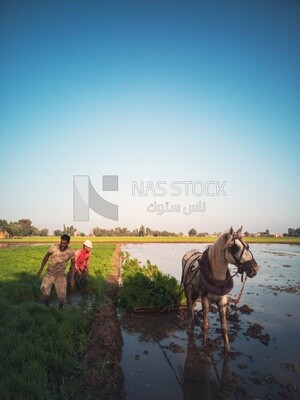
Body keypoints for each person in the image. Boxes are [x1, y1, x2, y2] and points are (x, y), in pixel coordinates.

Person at [37, 234, 75, 309]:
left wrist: (72, 278)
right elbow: (46, 257)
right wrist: (41, 269)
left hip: (60, 275)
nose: (62, 245)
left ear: (68, 243)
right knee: (43, 289)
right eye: (61, 242)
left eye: (64, 243)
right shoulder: (53, 248)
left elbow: (73, 265)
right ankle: (47, 307)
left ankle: (60, 310)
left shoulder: (71, 252)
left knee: (62, 296)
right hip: (50, 273)